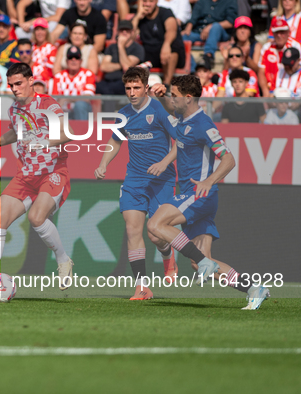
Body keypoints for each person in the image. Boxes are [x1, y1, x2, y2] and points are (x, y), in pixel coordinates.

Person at [147, 75, 270, 310]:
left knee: (155, 225)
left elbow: (229, 158)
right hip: (196, 195)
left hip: (199, 194)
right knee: (198, 261)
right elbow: (173, 121)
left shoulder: (204, 125)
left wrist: (210, 180)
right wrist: (162, 98)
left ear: (189, 98)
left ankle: (206, 263)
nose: (172, 98)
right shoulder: (183, 120)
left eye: (175, 95)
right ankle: (254, 288)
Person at [0, 62, 74, 301]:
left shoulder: (48, 104)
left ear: (31, 81)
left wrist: (44, 142)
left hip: (52, 172)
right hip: (26, 174)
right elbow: (15, 133)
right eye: (11, 84)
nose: (14, 88)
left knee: (36, 217)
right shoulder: (14, 109)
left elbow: (67, 133)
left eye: (19, 83)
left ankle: (63, 259)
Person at [94, 67, 178, 300]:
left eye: (136, 88)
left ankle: (167, 256)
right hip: (134, 179)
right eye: (128, 88)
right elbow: (115, 140)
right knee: (132, 230)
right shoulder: (124, 114)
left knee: (156, 235)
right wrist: (103, 164)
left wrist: (163, 163)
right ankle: (142, 287)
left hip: (162, 179)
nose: (132, 92)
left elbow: (181, 141)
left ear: (145, 86)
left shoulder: (159, 109)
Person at [133, 0, 185, 85]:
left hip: (165, 50)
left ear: (157, 2)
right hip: (148, 52)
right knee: (131, 48)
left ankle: (167, 84)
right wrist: (137, 17)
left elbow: (172, 30)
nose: (147, 4)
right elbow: (129, 36)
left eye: (151, 1)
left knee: (173, 46)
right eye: (145, 1)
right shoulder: (140, 16)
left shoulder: (166, 12)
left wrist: (166, 45)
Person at [181, 0, 238, 70]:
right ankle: (192, 68)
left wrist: (210, 27)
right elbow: (193, 19)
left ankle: (208, 56)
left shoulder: (230, 2)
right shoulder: (201, 2)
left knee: (216, 27)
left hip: (220, 33)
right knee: (182, 38)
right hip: (199, 32)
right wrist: (187, 30)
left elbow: (230, 22)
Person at [97, 20, 144, 95]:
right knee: (97, 87)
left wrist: (121, 46)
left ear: (132, 32)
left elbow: (127, 67)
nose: (124, 32)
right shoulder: (111, 47)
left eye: (127, 30)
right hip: (108, 81)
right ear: (118, 32)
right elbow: (103, 67)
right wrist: (120, 66)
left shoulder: (137, 48)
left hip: (125, 82)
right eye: (122, 30)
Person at [50, 45, 96, 120]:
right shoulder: (58, 76)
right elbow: (54, 98)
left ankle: (82, 130)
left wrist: (67, 99)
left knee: (80, 104)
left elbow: (88, 97)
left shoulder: (88, 74)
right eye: (70, 58)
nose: (73, 60)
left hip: (81, 112)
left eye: (77, 58)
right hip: (63, 111)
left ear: (81, 61)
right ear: (66, 61)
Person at [258, 18, 301, 96]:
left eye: (282, 32)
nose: (279, 35)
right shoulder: (267, 47)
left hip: (289, 89)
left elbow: (297, 69)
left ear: (288, 32)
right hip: (270, 89)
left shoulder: (296, 46)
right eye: (276, 32)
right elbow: (261, 71)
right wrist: (265, 91)